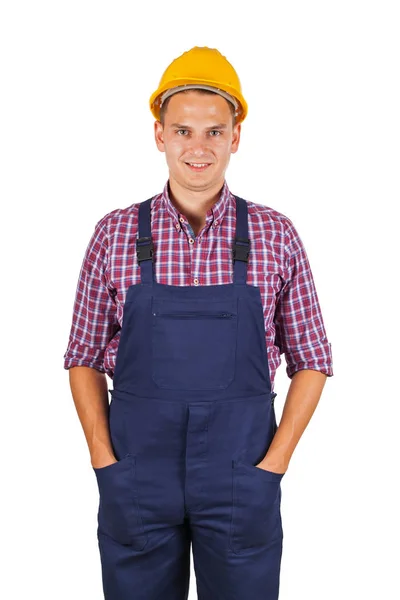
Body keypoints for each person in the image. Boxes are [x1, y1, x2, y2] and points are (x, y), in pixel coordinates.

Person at [63, 45, 333, 600]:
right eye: (183, 131)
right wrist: (104, 461)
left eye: (214, 131)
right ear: (159, 135)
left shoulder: (275, 235)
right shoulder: (114, 234)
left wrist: (273, 467)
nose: (199, 147)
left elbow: (314, 360)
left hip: (241, 476)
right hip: (138, 475)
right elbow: (83, 356)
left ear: (236, 136)